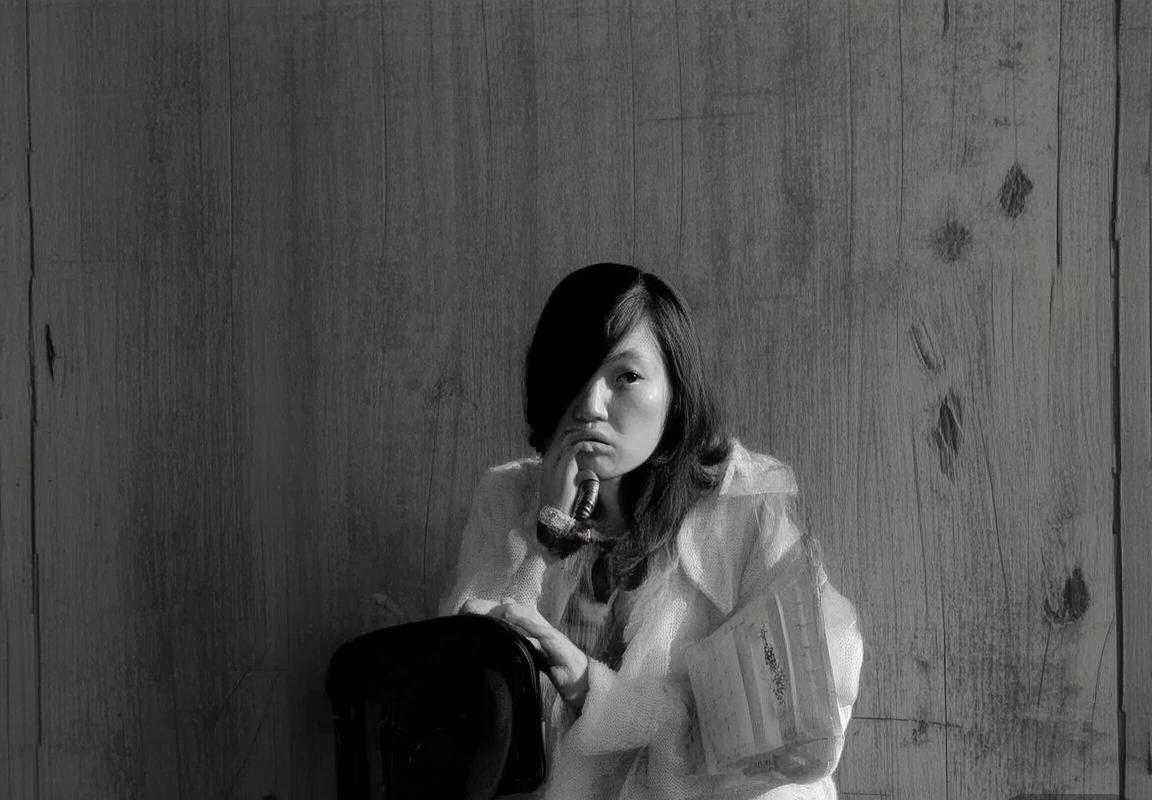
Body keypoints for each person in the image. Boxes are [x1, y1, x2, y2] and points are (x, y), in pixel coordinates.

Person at [439, 263, 863, 800]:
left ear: (674, 391)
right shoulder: (509, 497)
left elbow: (800, 716)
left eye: (626, 377)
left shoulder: (739, 506)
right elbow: (460, 697)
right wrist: (542, 542)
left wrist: (596, 693)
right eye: (574, 373)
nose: (591, 406)